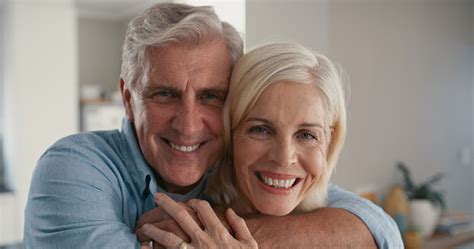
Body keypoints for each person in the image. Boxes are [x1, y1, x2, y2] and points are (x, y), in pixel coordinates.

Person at [24, 3, 403, 249]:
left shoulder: (243, 170)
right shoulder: (73, 167)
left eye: (210, 97)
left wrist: (217, 232)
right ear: (128, 98)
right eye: (164, 94)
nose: (188, 125)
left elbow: (379, 229)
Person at [139, 42, 350, 248]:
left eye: (306, 135)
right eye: (260, 129)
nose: (284, 158)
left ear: (329, 140)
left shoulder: (347, 223)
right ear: (229, 132)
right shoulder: (176, 229)